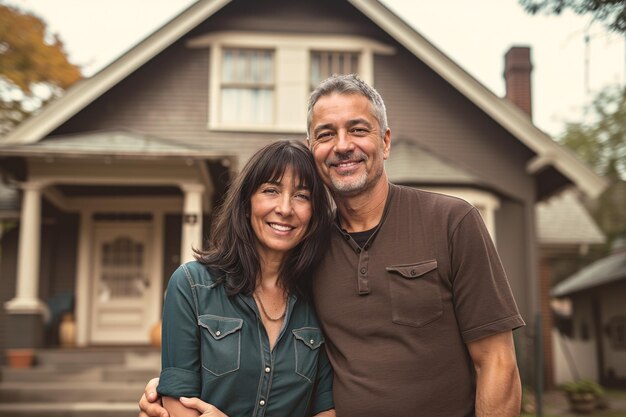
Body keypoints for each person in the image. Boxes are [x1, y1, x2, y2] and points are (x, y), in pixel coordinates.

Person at [140, 74, 525, 417]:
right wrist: (167, 394)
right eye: (326, 134)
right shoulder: (310, 254)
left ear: (385, 141)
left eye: (358, 130)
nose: (342, 146)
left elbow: (497, 363)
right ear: (313, 150)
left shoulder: (451, 221)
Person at [155, 140, 335, 417]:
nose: (285, 208)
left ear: (314, 213)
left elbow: (325, 410)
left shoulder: (321, 296)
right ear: (247, 202)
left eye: (302, 195)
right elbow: (178, 404)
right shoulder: (192, 285)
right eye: (271, 190)